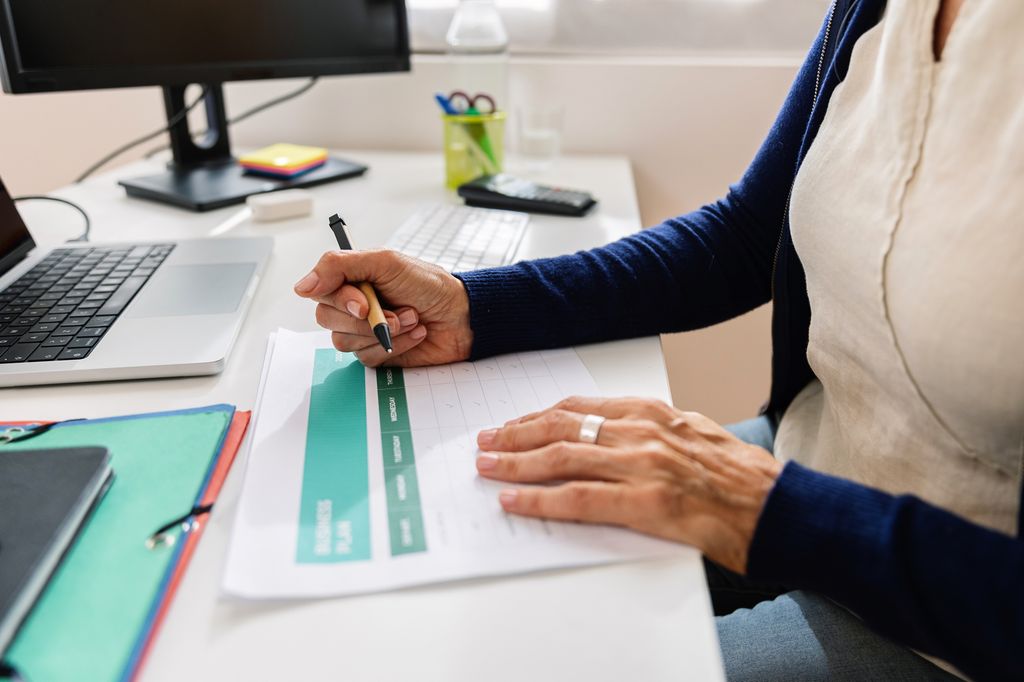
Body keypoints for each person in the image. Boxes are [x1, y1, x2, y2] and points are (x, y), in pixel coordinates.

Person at [292, 0, 1023, 678]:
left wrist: (768, 510)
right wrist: (474, 307)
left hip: (949, 606)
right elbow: (743, 239)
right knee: (467, 596)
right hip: (804, 466)